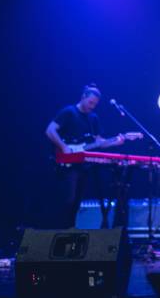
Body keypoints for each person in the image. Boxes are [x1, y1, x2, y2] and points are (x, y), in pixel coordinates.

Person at [45, 83, 125, 228]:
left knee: (77, 202)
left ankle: (70, 230)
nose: (92, 106)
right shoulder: (69, 112)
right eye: (90, 102)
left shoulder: (93, 118)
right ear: (83, 97)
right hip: (67, 164)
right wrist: (63, 147)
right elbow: (50, 130)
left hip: (83, 165)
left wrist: (116, 142)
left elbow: (99, 143)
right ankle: (58, 230)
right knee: (68, 199)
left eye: (95, 104)